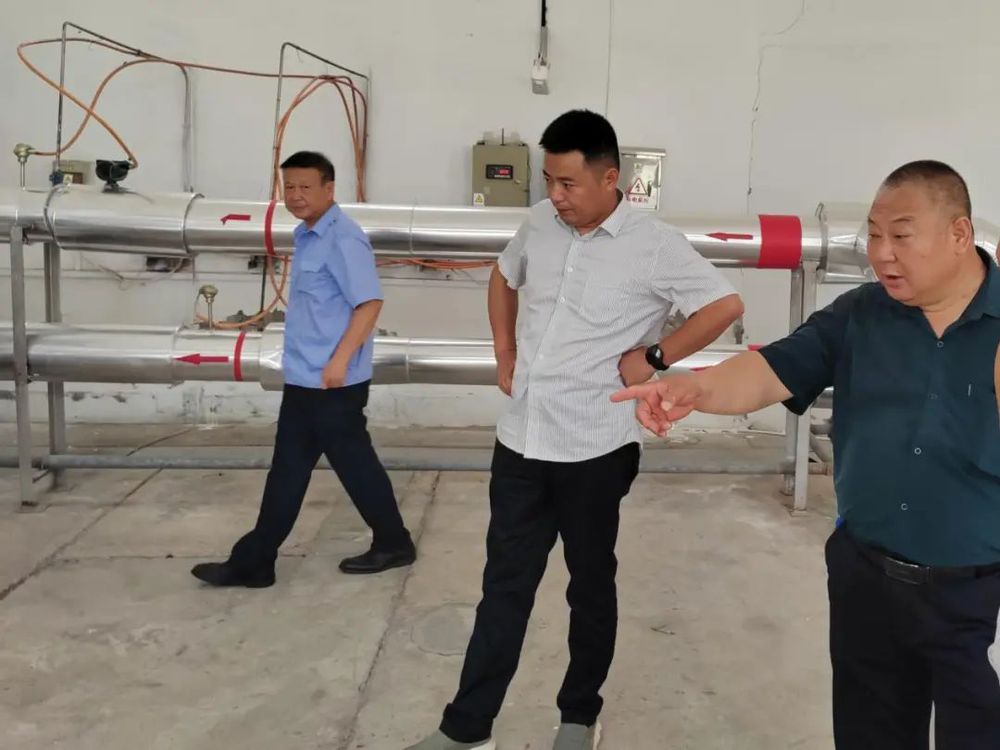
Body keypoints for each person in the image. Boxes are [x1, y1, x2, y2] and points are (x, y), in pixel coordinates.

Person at [612, 160, 1000, 749]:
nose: (882, 253)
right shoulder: (860, 315)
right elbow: (770, 370)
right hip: (866, 577)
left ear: (959, 234)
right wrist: (694, 388)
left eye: (901, 235)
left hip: (971, 591)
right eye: (874, 235)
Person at [407, 110, 743, 750]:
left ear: (610, 178)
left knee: (589, 587)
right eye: (548, 181)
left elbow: (724, 305)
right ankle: (468, 729)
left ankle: (578, 716)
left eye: (568, 183)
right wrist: (504, 350)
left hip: (595, 446)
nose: (555, 196)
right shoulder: (539, 223)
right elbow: (503, 275)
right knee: (503, 587)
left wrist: (655, 358)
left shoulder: (652, 243)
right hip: (521, 441)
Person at [191, 151, 415, 588]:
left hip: (332, 383)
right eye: (289, 187)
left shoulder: (343, 238)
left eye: (305, 187)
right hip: (304, 378)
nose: (295, 195)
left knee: (353, 467)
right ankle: (256, 560)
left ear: (329, 189)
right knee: (290, 471)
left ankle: (393, 542)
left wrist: (338, 361)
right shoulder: (306, 235)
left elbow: (369, 304)